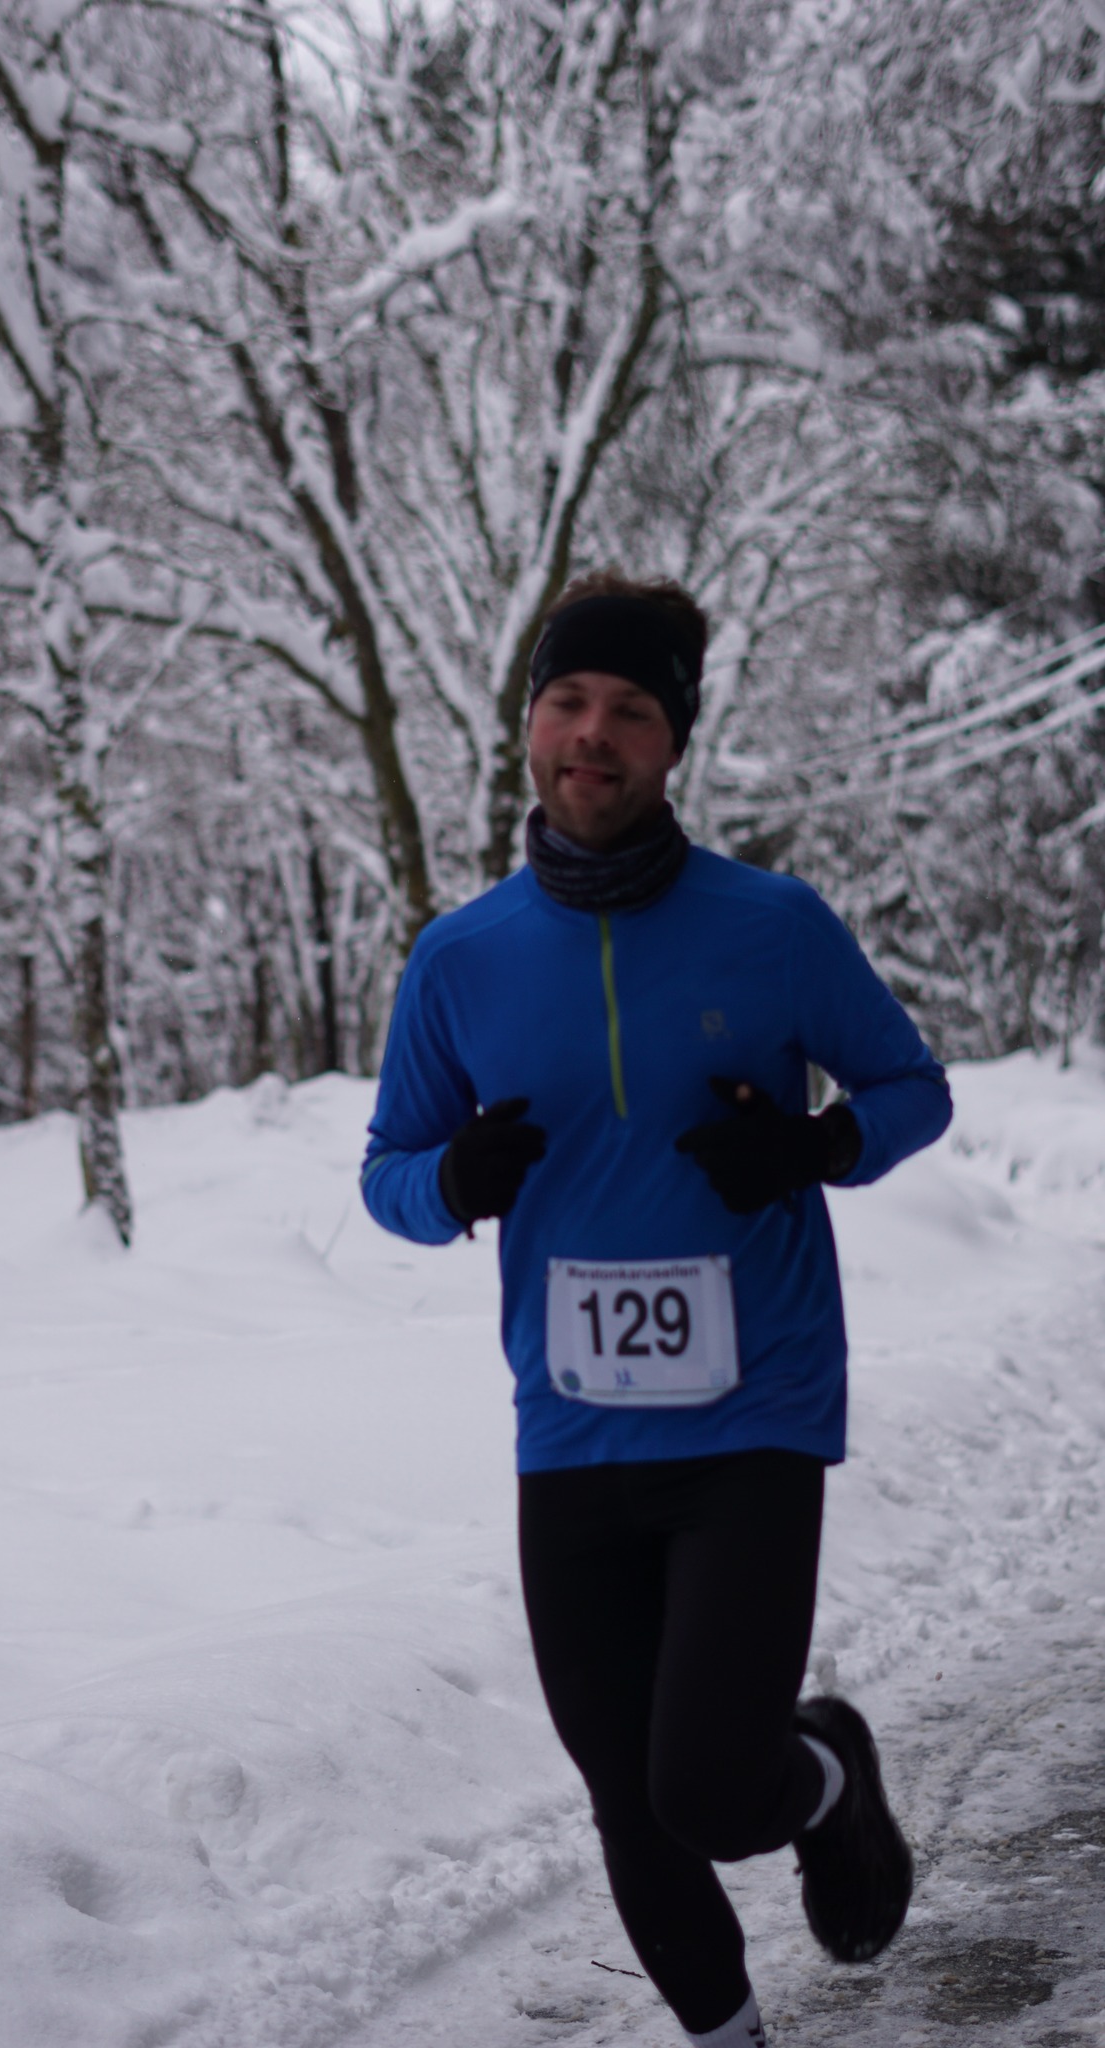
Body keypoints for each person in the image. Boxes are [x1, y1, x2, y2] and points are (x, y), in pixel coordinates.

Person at [359, 571, 952, 2048]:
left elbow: (912, 1087)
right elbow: (385, 1176)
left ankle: (824, 1776)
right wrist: (452, 1179)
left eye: (630, 710)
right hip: (570, 1429)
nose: (593, 735)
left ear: (673, 742)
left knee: (707, 1788)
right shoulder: (460, 957)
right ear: (529, 725)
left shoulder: (772, 925)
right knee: (628, 1801)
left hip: (754, 1412)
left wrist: (817, 1147)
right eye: (567, 703)